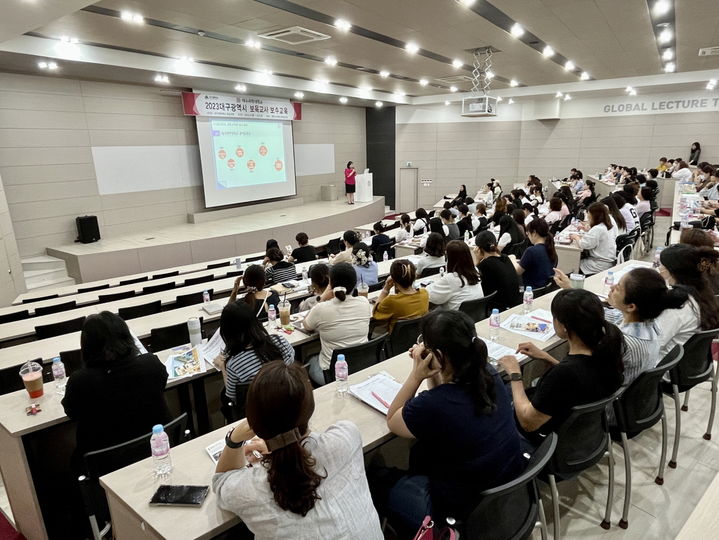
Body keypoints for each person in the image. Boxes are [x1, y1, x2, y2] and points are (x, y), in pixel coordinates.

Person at [376, 310, 523, 532]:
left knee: (376, 477)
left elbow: (393, 420)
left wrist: (416, 375)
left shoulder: (434, 405)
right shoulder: (487, 373)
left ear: (438, 354)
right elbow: (441, 398)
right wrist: (435, 372)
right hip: (505, 490)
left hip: (462, 508)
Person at [214, 362, 383, 539]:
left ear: (253, 421)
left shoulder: (248, 489)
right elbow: (313, 444)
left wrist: (234, 440)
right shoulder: (347, 436)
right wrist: (282, 443)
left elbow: (221, 481)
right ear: (310, 409)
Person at [498, 289, 624, 445]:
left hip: (549, 440)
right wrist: (546, 357)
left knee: (500, 390)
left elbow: (528, 422)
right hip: (584, 436)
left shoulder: (563, 375)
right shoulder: (608, 352)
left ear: (563, 326)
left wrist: (515, 375)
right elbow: (581, 379)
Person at [62, 312, 171, 468]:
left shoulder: (80, 382)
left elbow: (72, 412)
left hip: (104, 466)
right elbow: (161, 383)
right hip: (155, 453)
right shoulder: (151, 365)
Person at [555, 267, 686, 387]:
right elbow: (607, 315)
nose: (611, 287)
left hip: (609, 406)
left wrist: (546, 357)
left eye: (617, 288)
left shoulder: (619, 343)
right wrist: (571, 290)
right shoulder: (651, 323)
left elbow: (583, 377)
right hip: (634, 399)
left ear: (631, 306)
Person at [303, 263, 371, 385]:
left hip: (332, 373)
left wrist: (322, 298)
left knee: (307, 359)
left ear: (331, 284)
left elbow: (306, 325)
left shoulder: (321, 309)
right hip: (362, 366)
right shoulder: (364, 303)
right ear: (355, 283)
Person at [214, 301, 295, 402]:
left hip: (259, 412)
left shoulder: (234, 364)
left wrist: (223, 367)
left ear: (228, 332)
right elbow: (293, 369)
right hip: (289, 401)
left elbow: (233, 397)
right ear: (255, 321)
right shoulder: (280, 341)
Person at [656, 244, 719, 357]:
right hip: (689, 362)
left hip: (664, 367)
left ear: (673, 271)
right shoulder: (703, 293)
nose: (659, 268)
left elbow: (655, 342)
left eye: (662, 265)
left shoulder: (679, 306)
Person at [372, 260, 429, 332]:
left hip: (394, 341)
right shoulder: (424, 294)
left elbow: (376, 314)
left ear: (393, 279)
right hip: (417, 337)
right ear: (414, 276)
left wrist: (385, 289)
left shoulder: (392, 301)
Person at [426, 240, 483, 310]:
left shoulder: (451, 279)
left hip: (455, 318)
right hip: (475, 316)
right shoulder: (475, 271)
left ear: (450, 258)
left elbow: (430, 296)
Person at [473, 230, 521, 311]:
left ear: (479, 249)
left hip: (498, 308)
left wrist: (477, 260)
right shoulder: (505, 257)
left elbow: (472, 278)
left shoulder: (485, 265)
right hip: (515, 303)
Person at [571, 202, 616, 275]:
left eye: (588, 213)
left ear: (594, 215)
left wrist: (576, 237)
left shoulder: (598, 229)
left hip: (598, 264)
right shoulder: (606, 226)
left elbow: (584, 245)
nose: (588, 215)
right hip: (607, 261)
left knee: (572, 264)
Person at [514, 218, 557, 289]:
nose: (528, 237)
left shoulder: (531, 251)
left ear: (534, 233)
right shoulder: (551, 249)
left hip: (531, 292)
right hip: (544, 290)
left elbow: (518, 271)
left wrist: (512, 260)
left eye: (528, 234)